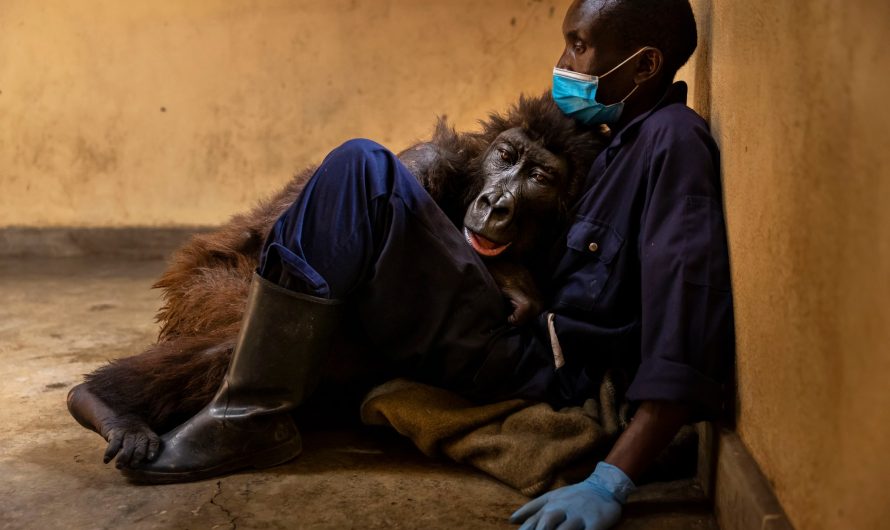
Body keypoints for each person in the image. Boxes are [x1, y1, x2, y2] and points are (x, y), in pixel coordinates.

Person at [124, 0, 734, 528]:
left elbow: (686, 319)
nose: (565, 66)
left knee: (363, 169)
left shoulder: (671, 143)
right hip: (501, 321)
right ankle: (241, 396)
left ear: (647, 64)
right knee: (369, 183)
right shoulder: (602, 140)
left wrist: (612, 480)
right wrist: (506, 274)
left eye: (579, 47)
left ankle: (249, 414)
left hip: (529, 362)